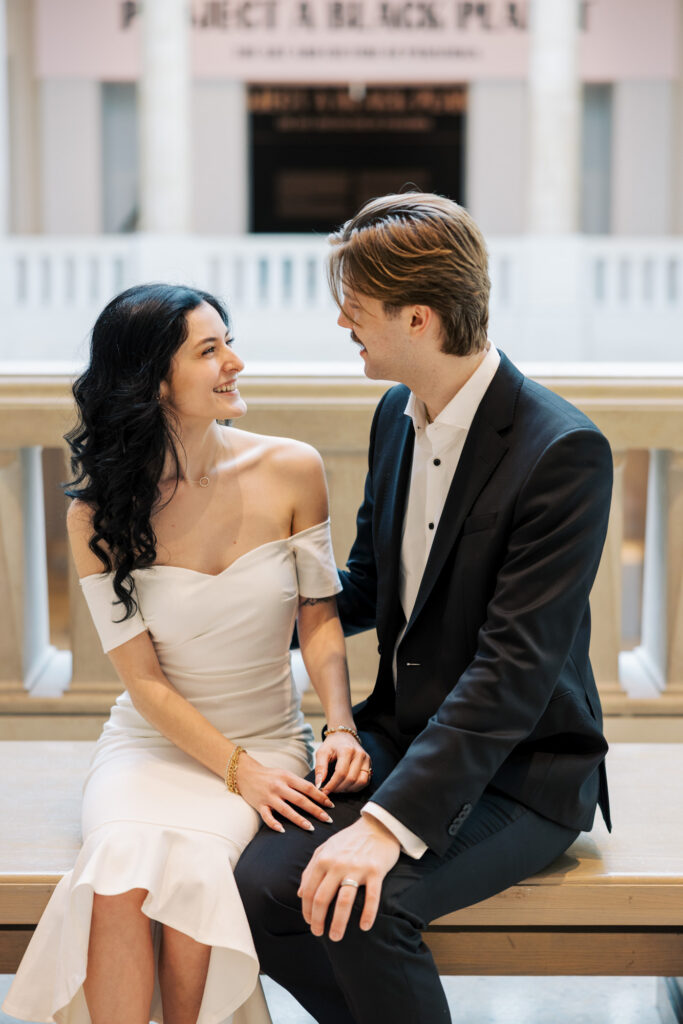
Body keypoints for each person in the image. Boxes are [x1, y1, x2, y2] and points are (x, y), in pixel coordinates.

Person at [234, 192, 614, 1024]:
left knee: (364, 905)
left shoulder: (563, 451)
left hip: (523, 770)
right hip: (402, 735)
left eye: (356, 310)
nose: (343, 325)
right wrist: (230, 613)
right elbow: (368, 583)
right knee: (259, 885)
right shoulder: (394, 416)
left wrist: (387, 824)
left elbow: (512, 674)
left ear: (418, 318)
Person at [2, 283, 372, 1024]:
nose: (235, 362)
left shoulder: (292, 469)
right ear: (153, 380)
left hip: (267, 741)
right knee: (117, 879)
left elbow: (319, 621)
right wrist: (238, 773)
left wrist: (339, 727)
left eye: (227, 341)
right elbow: (143, 682)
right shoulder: (96, 512)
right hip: (152, 745)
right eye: (209, 350)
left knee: (197, 879)